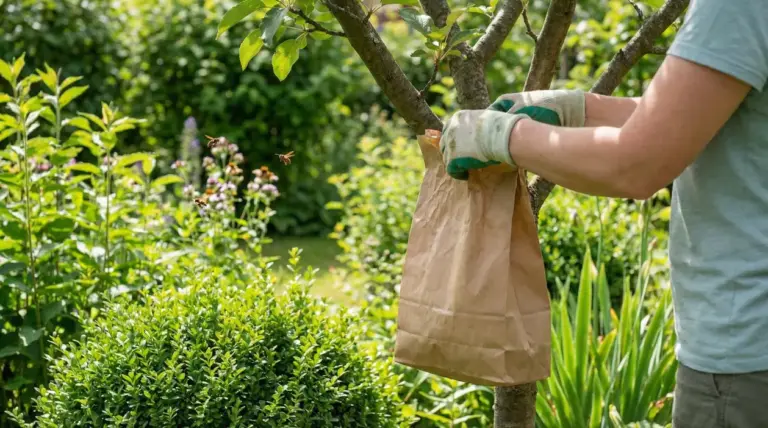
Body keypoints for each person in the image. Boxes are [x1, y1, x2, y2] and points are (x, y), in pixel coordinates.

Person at [438, 0, 768, 426]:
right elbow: (704, 119)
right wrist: (581, 109)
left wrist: (499, 137)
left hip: (746, 363)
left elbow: (637, 165)